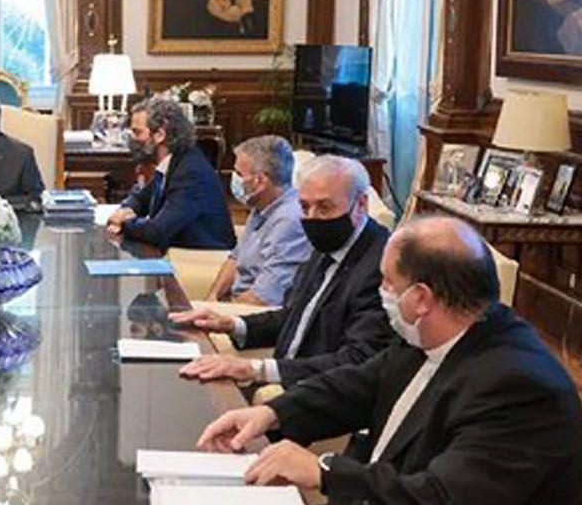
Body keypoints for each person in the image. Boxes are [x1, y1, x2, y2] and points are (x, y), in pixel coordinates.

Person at [197, 216, 582, 505]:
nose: (380, 292)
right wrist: (269, 413)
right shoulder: (432, 334)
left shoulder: (518, 386)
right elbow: (360, 384)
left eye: (387, 282)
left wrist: (324, 472)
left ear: (421, 298)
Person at [175, 155, 392, 387]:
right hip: (285, 382)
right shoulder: (325, 247)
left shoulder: (382, 266)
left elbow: (357, 359)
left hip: (322, 395)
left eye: (325, 207)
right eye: (305, 207)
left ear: (361, 205)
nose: (312, 218)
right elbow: (295, 316)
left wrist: (256, 369)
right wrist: (232, 324)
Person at [106, 96, 235, 250]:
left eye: (137, 132)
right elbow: (141, 198)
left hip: (203, 259)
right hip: (179, 251)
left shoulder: (190, 172)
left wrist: (124, 223)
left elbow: (158, 231)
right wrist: (125, 210)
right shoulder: (173, 162)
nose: (132, 139)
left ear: (160, 135)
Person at [204, 136, 310, 305]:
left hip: (255, 315)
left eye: (239, 174)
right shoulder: (260, 205)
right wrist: (212, 299)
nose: (234, 179)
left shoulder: (289, 222)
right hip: (235, 305)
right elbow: (235, 259)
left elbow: (265, 297)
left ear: (260, 181)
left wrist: (221, 315)